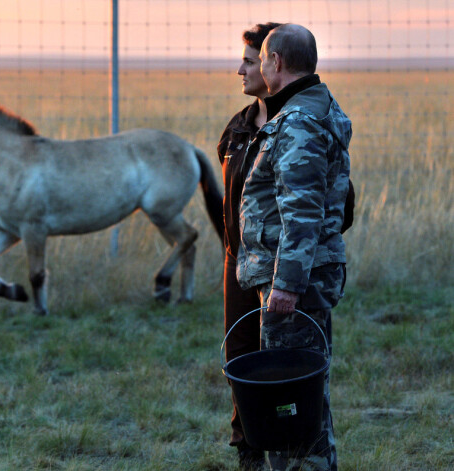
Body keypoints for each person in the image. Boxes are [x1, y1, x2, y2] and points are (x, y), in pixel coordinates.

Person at [235, 23, 353, 471]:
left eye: (260, 59)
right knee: (305, 398)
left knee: (292, 404)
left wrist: (285, 286)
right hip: (303, 277)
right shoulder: (313, 108)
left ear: (276, 64)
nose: (257, 66)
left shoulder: (298, 122)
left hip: (294, 286)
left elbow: (301, 213)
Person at [217, 22, 281, 471]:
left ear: (271, 63)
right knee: (239, 358)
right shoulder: (237, 128)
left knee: (282, 364)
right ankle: (249, 452)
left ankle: (289, 447)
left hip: (281, 269)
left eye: (247, 60)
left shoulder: (297, 127)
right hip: (236, 263)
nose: (239, 69)